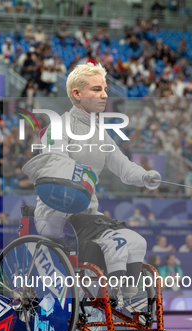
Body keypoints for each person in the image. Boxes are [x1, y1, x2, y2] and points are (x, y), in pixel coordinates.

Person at [23, 63, 161, 299]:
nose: (104, 95)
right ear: (77, 94)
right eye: (97, 89)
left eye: (105, 89)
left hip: (88, 216)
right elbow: (57, 162)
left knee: (136, 242)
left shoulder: (101, 133)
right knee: (115, 246)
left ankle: (122, 301)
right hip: (57, 215)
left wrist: (145, 176)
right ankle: (108, 302)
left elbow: (124, 168)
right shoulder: (58, 126)